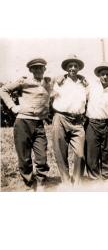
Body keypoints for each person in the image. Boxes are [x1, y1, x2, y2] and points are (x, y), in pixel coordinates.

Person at [0, 58, 53, 190]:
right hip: (23, 122)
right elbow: (3, 90)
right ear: (30, 70)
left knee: (42, 157)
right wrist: (12, 107)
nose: (38, 70)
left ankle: (41, 182)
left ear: (45, 69)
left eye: (41, 67)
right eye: (35, 68)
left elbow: (64, 80)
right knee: (24, 157)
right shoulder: (23, 81)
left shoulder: (48, 82)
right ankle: (29, 183)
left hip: (39, 124)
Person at [51, 55, 88, 186]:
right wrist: (55, 79)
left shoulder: (84, 84)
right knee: (60, 153)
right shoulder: (59, 81)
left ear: (79, 68)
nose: (73, 68)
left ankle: (76, 182)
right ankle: (66, 183)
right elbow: (48, 91)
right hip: (60, 118)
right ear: (66, 68)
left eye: (75, 66)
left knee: (80, 153)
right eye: (70, 66)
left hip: (78, 121)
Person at [85, 62, 108, 180]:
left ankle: (106, 178)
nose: (105, 77)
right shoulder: (91, 87)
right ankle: (94, 179)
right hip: (92, 124)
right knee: (92, 154)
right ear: (99, 75)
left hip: (106, 124)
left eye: (107, 74)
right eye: (102, 74)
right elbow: (81, 100)